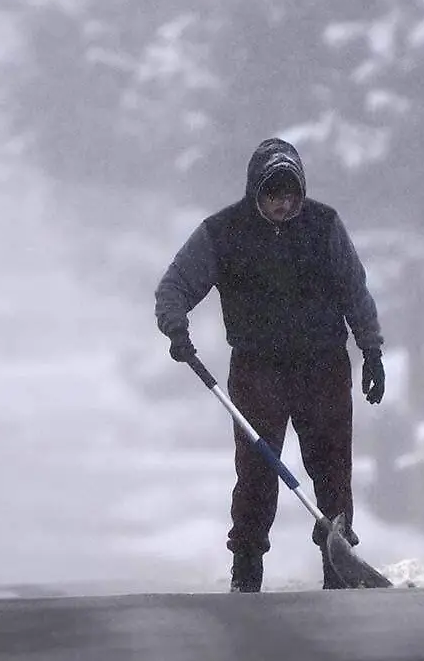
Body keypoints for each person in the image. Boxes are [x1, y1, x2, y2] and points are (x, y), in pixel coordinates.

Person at [154, 137, 386, 592]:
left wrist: (372, 351)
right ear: (255, 191)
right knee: (257, 471)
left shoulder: (324, 226)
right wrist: (176, 326)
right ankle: (246, 567)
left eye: (291, 195)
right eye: (273, 195)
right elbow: (174, 285)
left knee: (333, 466)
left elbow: (354, 292)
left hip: (323, 366)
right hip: (257, 369)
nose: (283, 205)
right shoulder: (223, 232)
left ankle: (337, 560)